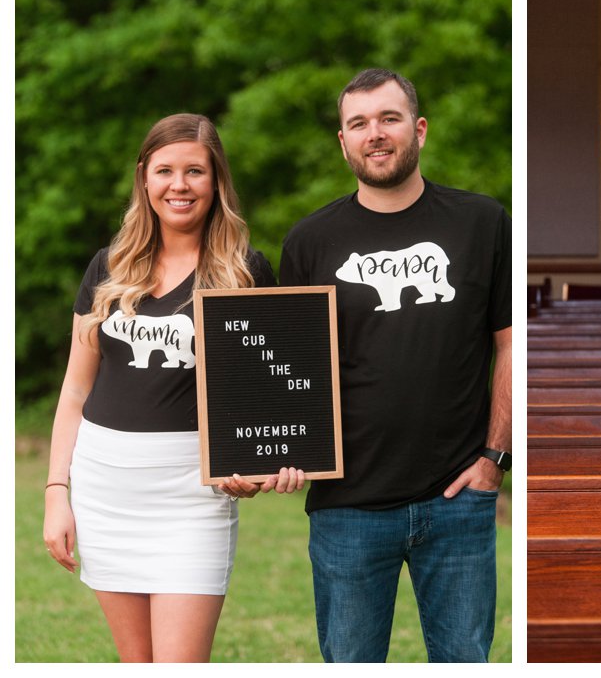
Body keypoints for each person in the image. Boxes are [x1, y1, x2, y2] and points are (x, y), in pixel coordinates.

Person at [42, 113, 304, 663]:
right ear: (144, 178)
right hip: (105, 488)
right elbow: (73, 392)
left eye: (195, 172)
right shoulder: (107, 268)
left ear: (216, 182)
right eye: (165, 170)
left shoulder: (246, 272)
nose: (179, 185)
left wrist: (254, 470)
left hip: (192, 495)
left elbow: (267, 401)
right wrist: (56, 495)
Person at [275, 68, 511, 662]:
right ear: (343, 141)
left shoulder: (482, 223)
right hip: (346, 504)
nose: (374, 134)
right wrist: (276, 448)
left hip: (458, 497)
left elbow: (511, 344)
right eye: (359, 123)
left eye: (389, 118)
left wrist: (494, 460)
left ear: (420, 129)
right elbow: (290, 366)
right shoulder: (309, 241)